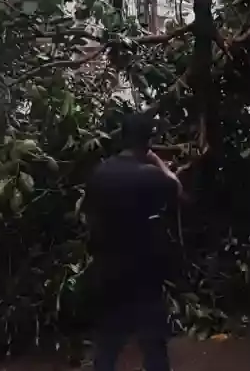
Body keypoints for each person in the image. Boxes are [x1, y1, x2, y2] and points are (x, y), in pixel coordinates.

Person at [84, 113, 186, 371]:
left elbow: (90, 218)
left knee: (108, 344)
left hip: (107, 271)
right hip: (144, 274)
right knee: (153, 344)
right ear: (147, 141)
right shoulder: (150, 175)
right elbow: (176, 188)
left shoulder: (100, 172)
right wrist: (158, 162)